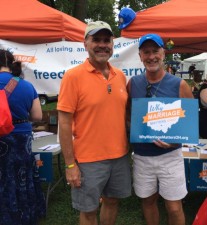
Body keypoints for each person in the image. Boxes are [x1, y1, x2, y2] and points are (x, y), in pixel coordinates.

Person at [57, 21, 131, 225]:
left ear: (112, 44)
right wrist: (70, 164)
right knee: (88, 211)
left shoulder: (120, 76)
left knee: (112, 201)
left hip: (120, 156)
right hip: (88, 159)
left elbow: (123, 116)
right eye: (96, 39)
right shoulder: (73, 76)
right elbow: (64, 123)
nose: (102, 44)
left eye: (107, 40)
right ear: (85, 43)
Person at [127, 33, 193, 225]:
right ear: (140, 56)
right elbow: (128, 115)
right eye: (146, 52)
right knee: (148, 201)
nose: (151, 56)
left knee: (173, 206)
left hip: (170, 156)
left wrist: (174, 139)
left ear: (163, 53)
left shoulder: (180, 85)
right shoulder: (133, 83)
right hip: (142, 155)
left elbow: (189, 122)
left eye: (155, 51)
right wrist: (136, 131)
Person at [0, 49, 45, 225]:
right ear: (11, 64)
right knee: (21, 177)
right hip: (20, 139)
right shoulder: (26, 86)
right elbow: (37, 116)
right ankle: (24, 216)